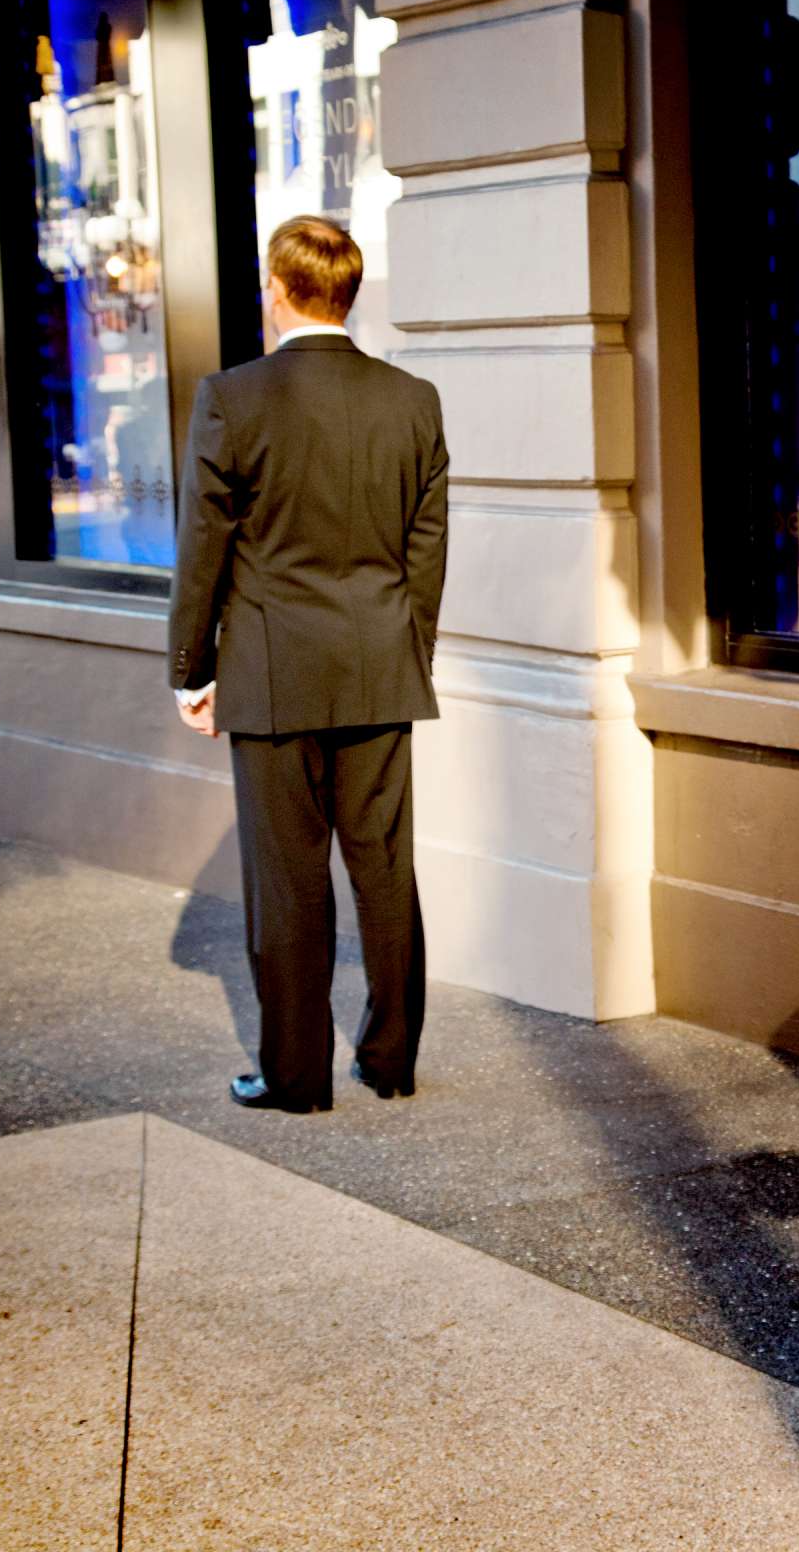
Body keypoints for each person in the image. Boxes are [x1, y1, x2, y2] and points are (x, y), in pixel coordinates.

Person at [168, 215, 450, 1114]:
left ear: (278, 292)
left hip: (271, 672)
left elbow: (201, 546)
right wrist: (407, 653)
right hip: (378, 665)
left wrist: (191, 666)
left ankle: (295, 1078)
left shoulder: (233, 396)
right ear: (347, 294)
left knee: (287, 884)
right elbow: (426, 551)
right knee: (385, 871)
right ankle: (390, 1061)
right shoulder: (412, 399)